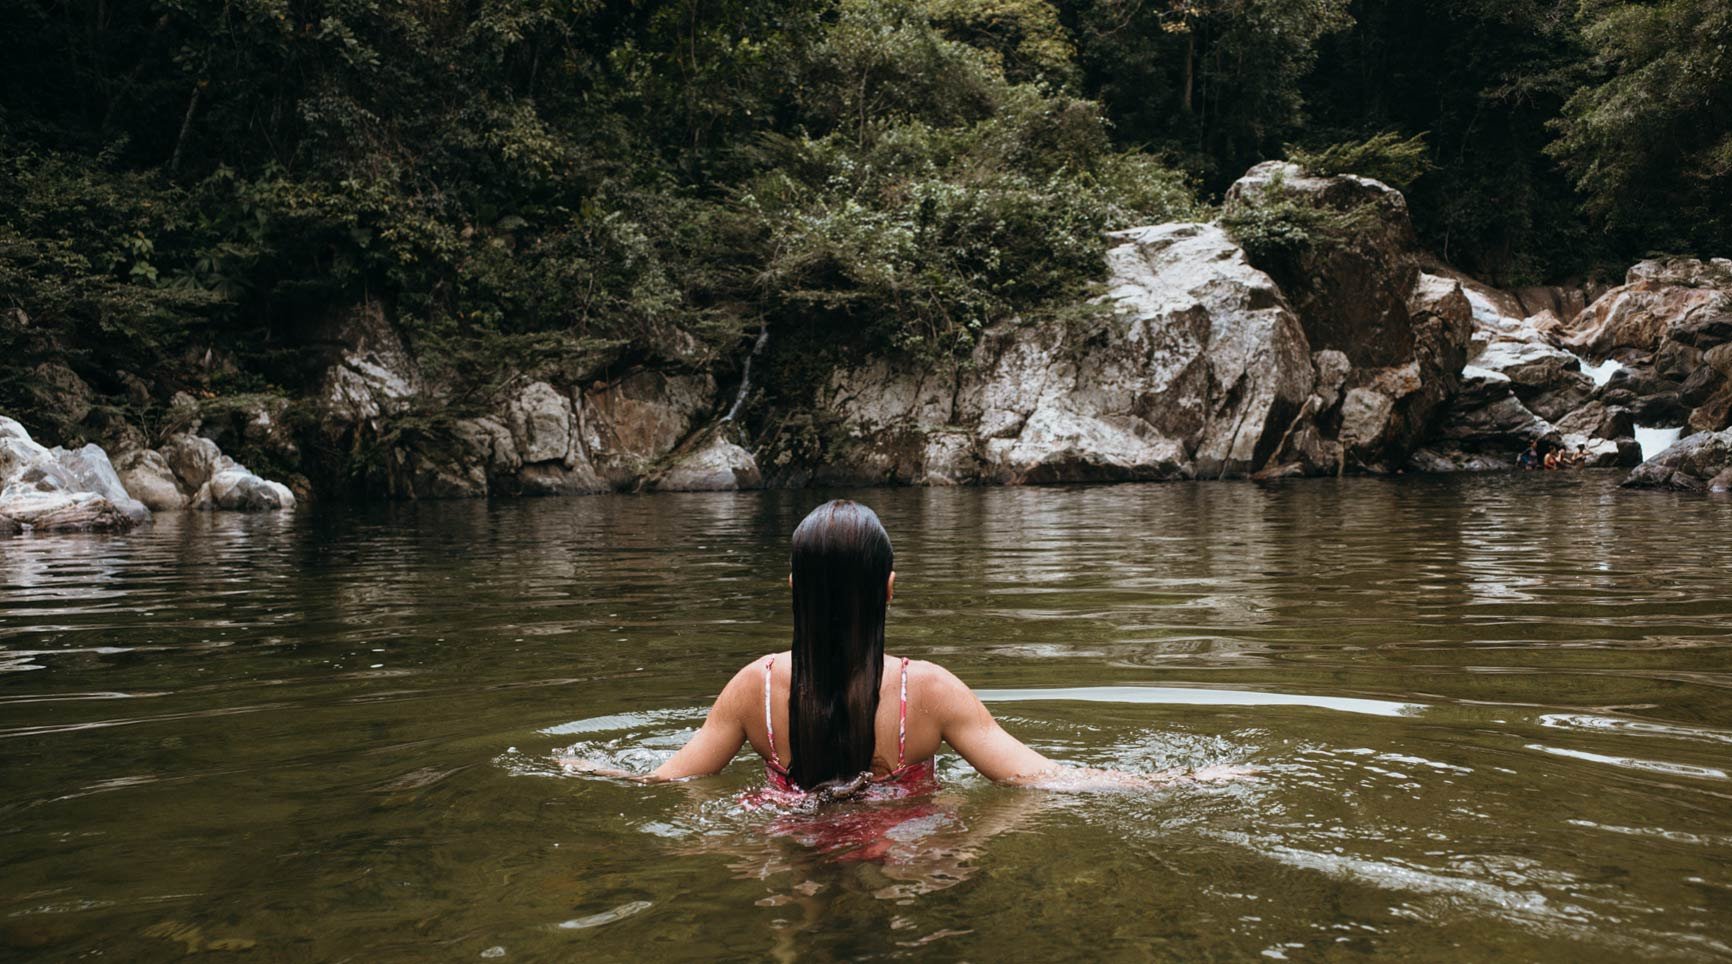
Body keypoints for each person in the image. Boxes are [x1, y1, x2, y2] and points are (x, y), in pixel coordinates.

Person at [567, 499, 1239, 797]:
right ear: (889, 590)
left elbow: (670, 781)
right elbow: (1039, 778)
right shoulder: (932, 693)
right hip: (904, 850)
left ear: (794, 587)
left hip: (785, 843)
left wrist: (593, 770)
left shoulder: (754, 688)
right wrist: (1179, 782)